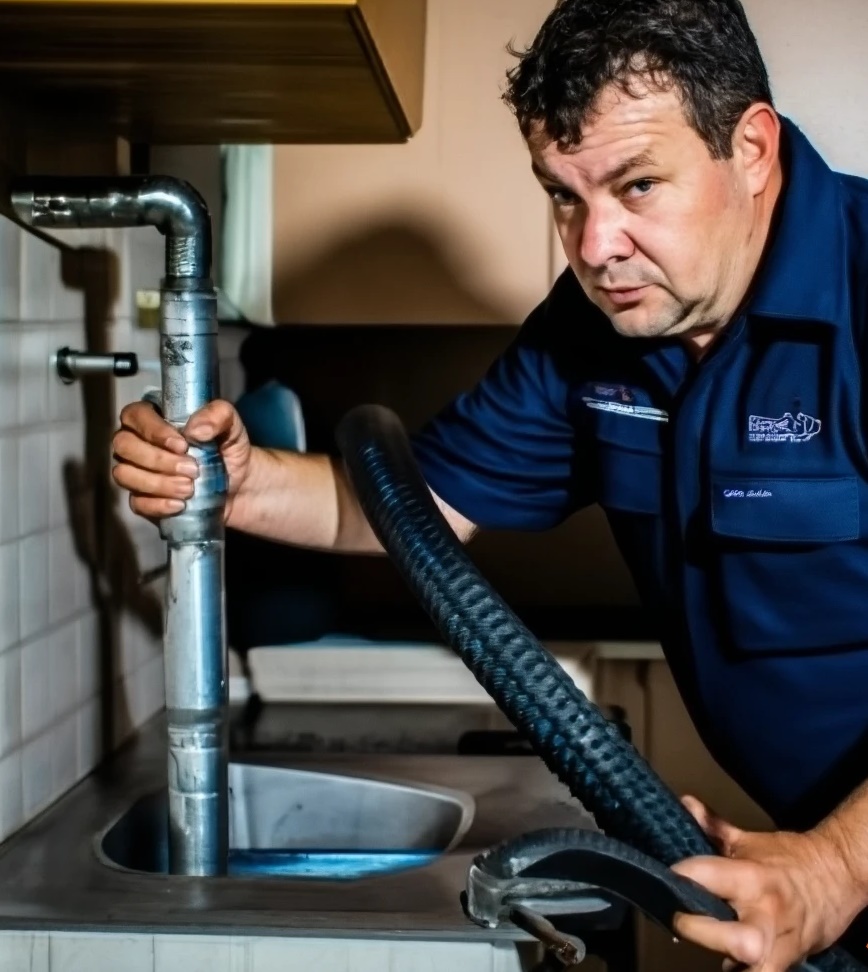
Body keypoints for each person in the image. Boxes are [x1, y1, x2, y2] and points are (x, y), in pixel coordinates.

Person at [111, 0, 868, 967]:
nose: (594, 247)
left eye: (638, 187)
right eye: (563, 196)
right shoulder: (599, 326)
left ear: (752, 148)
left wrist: (836, 868)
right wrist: (242, 481)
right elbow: (418, 511)